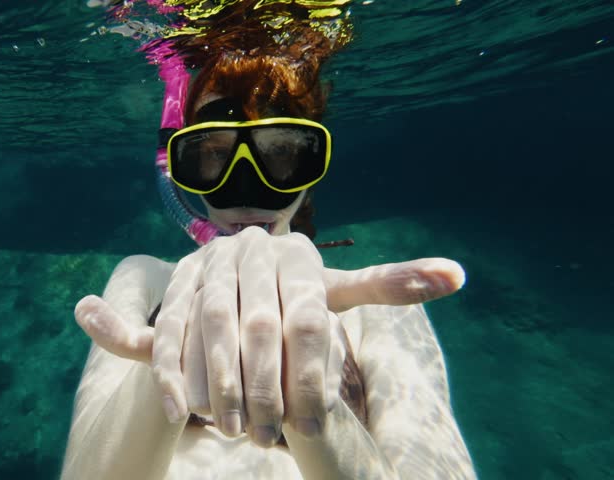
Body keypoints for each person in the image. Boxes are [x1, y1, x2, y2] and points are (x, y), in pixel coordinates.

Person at [61, 2, 476, 479]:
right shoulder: (145, 278)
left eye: (281, 155)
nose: (244, 191)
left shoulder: (377, 305)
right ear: (183, 169)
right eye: (213, 157)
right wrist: (165, 368)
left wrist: (313, 406)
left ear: (312, 170)